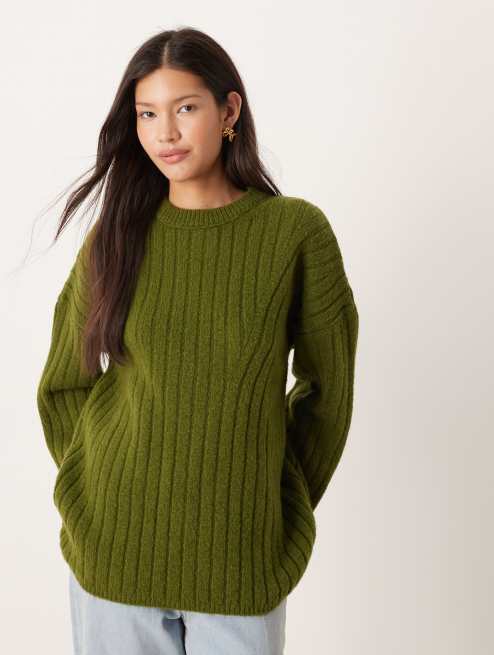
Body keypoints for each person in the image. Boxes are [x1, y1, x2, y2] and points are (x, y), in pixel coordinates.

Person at [36, 27, 359, 655]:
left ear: (228, 111)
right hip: (113, 555)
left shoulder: (294, 233)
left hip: (241, 561)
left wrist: (273, 497)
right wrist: (93, 488)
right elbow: (63, 383)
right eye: (147, 114)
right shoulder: (117, 235)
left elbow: (329, 391)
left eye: (185, 108)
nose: (166, 133)